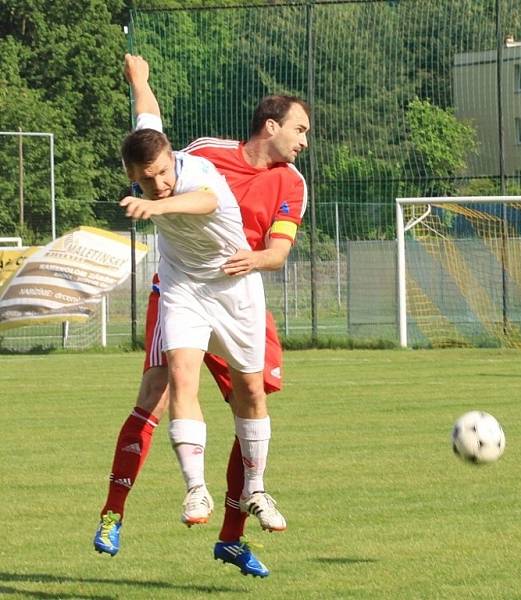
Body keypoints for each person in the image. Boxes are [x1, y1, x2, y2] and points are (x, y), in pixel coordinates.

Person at [93, 54, 310, 578]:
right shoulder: (202, 152)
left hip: (239, 288)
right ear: (271, 125)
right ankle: (114, 513)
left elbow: (238, 223)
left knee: (251, 398)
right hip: (181, 286)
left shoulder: (289, 182)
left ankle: (234, 533)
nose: (305, 140)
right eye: (300, 128)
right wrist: (140, 80)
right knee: (160, 388)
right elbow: (150, 125)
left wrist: (253, 259)